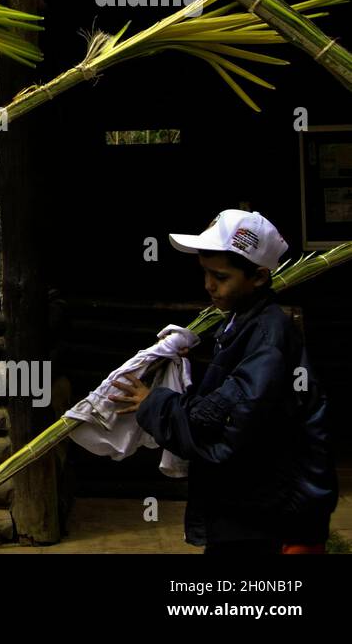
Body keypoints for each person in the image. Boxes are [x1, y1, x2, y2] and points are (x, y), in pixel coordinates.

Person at [112, 209, 339, 555]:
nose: (208, 285)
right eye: (204, 273)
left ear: (260, 277)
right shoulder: (238, 325)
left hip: (268, 520)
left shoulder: (268, 338)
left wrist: (155, 403)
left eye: (220, 276)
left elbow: (221, 429)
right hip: (248, 508)